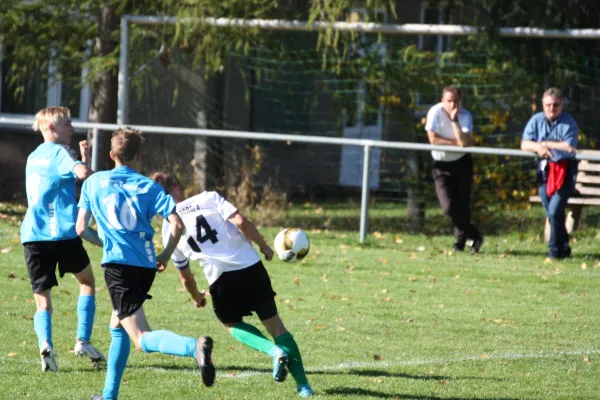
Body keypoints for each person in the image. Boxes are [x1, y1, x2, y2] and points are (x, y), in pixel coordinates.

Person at [76, 128, 215, 400]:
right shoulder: (150, 187)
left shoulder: (94, 183)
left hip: (119, 268)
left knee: (139, 336)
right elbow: (176, 225)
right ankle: (108, 396)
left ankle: (193, 347)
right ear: (138, 156)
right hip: (145, 267)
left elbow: (81, 229)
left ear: (111, 154)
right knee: (117, 325)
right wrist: (164, 257)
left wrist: (108, 243)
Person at [151, 172, 315, 398]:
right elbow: (240, 222)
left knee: (230, 323)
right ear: (177, 187)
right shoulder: (208, 198)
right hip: (252, 267)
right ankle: (304, 387)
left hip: (221, 279)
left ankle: (273, 351)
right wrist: (264, 247)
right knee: (277, 327)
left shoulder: (168, 229)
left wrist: (197, 296)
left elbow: (185, 277)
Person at [21, 106, 104, 372]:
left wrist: (83, 157)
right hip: (61, 234)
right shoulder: (59, 152)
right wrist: (98, 177)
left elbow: (59, 180)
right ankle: (82, 340)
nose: (72, 128)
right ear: (52, 128)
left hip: (32, 235)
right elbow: (81, 175)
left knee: (42, 299)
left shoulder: (34, 156)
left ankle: (45, 344)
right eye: (67, 123)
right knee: (87, 281)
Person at [425, 85, 484, 254]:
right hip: (441, 164)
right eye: (449, 101)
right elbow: (433, 140)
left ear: (461, 101)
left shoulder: (465, 116)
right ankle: (476, 236)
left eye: (455, 101)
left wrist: (453, 120)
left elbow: (464, 144)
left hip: (461, 163)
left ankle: (460, 243)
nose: (452, 104)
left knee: (462, 205)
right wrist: (457, 144)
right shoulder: (434, 112)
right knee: (448, 207)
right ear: (442, 100)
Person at [521, 87, 578, 259]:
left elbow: (569, 147)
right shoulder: (536, 120)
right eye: (548, 105)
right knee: (554, 213)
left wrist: (546, 143)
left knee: (554, 211)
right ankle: (564, 248)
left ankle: (554, 253)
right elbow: (525, 144)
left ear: (561, 106)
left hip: (564, 173)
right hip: (545, 175)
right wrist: (538, 147)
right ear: (542, 105)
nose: (551, 108)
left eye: (556, 105)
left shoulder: (569, 122)